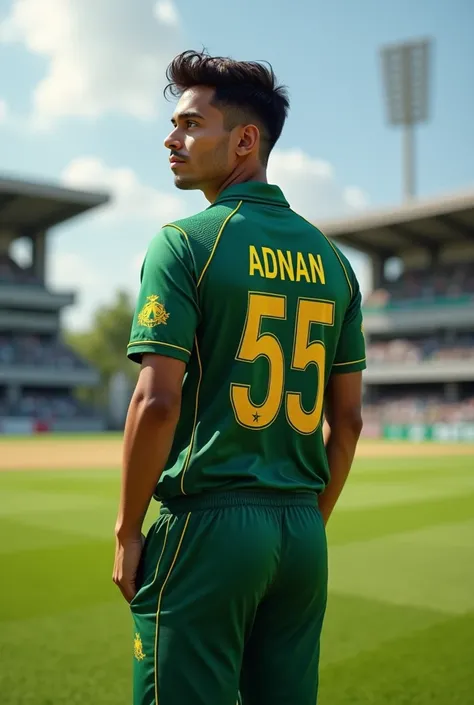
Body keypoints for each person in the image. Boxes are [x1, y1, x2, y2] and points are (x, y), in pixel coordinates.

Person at [113, 49, 366, 705]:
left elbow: (157, 400)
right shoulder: (335, 263)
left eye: (191, 124)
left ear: (245, 140)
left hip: (208, 525)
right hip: (302, 535)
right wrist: (309, 518)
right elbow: (351, 420)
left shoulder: (184, 242)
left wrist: (127, 529)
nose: (172, 138)